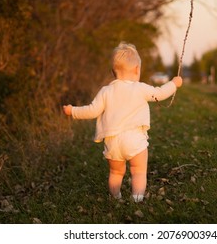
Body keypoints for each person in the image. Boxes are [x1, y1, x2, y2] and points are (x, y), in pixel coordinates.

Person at [63, 42, 182, 202]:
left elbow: (92, 110)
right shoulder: (140, 88)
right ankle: (137, 199)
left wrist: (73, 111)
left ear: (113, 72)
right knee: (138, 171)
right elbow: (159, 93)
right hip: (135, 140)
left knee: (116, 173)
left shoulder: (105, 91)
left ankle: (115, 197)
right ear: (137, 69)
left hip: (113, 142)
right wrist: (174, 84)